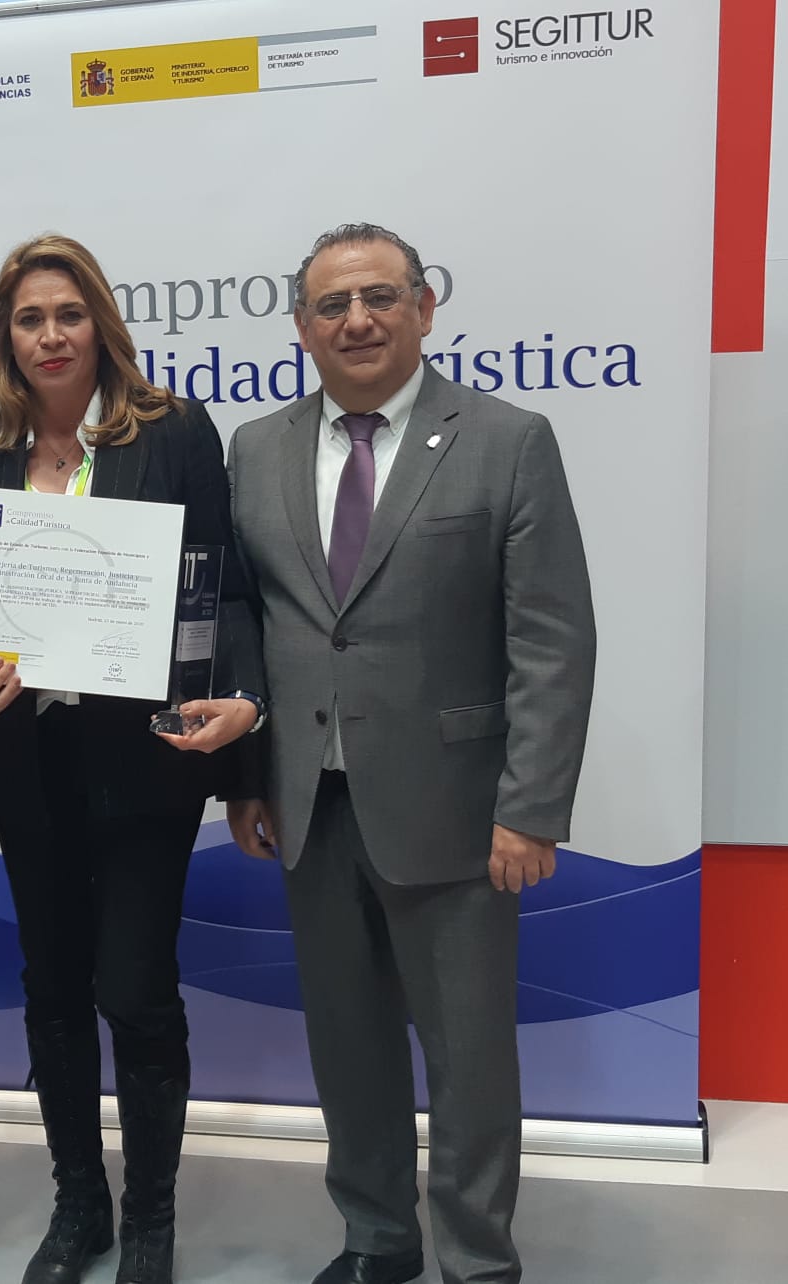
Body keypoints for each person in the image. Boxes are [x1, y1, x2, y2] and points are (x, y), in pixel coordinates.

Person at [226, 223, 596, 1284]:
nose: (357, 320)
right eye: (332, 305)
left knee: (468, 1055)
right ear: (301, 328)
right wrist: (245, 781)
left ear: (424, 308)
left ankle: (477, 1258)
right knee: (347, 1045)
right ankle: (377, 1238)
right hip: (307, 803)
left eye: (379, 297)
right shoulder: (255, 448)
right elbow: (248, 620)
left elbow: (551, 639)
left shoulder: (505, 439)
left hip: (460, 807)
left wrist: (530, 806)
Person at [0, 234, 264, 1284]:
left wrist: (240, 748)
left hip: (145, 763)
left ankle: (150, 1223)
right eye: (29, 318)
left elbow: (223, 592)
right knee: (51, 989)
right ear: (7, 335)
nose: (50, 335)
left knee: (134, 989)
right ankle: (77, 1204)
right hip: (25, 758)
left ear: (101, 323)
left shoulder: (170, 432)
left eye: (68, 313)